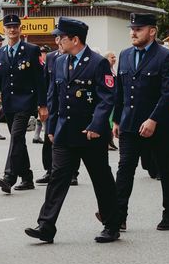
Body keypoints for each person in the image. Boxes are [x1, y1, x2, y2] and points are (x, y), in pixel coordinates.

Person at [25, 17, 121, 244]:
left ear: (75, 39)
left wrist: (97, 126)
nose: (57, 41)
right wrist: (51, 127)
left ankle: (112, 225)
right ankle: (46, 226)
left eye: (61, 37)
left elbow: (107, 98)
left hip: (89, 133)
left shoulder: (98, 63)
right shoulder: (59, 61)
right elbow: (54, 96)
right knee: (57, 178)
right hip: (64, 131)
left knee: (101, 178)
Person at [111, 12, 169, 232]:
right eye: (132, 29)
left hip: (159, 125)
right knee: (125, 169)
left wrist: (153, 119)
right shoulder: (125, 54)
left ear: (152, 31)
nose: (133, 33)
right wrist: (116, 119)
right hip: (130, 123)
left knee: (165, 170)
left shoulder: (166, 56)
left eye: (138, 29)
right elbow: (120, 90)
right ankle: (118, 217)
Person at [0, 14, 46, 194]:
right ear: (4, 30)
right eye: (9, 27)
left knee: (16, 136)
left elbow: (40, 79)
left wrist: (42, 105)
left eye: (15, 26)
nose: (12, 30)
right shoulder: (0, 53)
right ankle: (27, 177)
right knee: (18, 140)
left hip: (26, 102)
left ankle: (9, 176)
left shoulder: (31, 50)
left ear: (20, 29)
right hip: (9, 104)